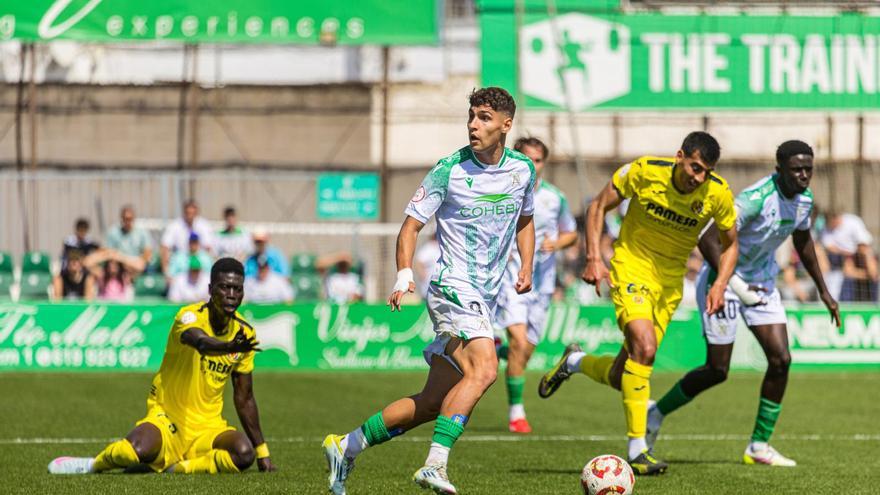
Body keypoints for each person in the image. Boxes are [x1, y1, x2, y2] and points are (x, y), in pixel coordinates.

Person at [322, 87, 536, 495]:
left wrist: (526, 264)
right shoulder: (448, 170)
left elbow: (525, 220)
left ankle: (346, 446)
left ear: (506, 125)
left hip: (486, 295)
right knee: (485, 369)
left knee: (433, 401)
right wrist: (404, 274)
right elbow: (410, 227)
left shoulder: (523, 170)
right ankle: (435, 464)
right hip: (451, 284)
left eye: (484, 117)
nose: (474, 125)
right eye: (471, 116)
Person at [538, 131, 739, 475]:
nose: (698, 177)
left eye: (706, 172)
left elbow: (731, 243)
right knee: (645, 348)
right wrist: (593, 258)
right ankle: (637, 449)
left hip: (669, 284)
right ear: (680, 157)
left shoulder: (717, 193)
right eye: (695, 167)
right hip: (631, 267)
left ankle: (574, 362)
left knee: (623, 376)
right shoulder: (645, 171)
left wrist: (720, 283)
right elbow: (597, 206)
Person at [647, 140, 841, 467]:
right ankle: (656, 412)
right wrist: (731, 283)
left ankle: (759, 446)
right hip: (723, 282)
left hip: (762, 283)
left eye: (808, 169)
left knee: (781, 360)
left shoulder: (805, 201)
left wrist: (824, 290)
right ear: (779, 170)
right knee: (717, 370)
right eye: (796, 169)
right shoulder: (755, 199)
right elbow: (708, 238)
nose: (804, 175)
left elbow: (803, 241)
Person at [48, 258, 276, 475]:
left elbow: (244, 397)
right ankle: (92, 464)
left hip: (208, 427)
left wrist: (262, 452)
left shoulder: (245, 333)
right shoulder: (189, 316)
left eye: (237, 289)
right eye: (224, 287)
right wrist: (228, 347)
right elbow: (201, 342)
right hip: (168, 420)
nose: (231, 295)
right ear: (210, 289)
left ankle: (177, 468)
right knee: (133, 450)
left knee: (243, 453)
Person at [494, 136, 577, 434]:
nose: (533, 164)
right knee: (519, 343)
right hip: (510, 278)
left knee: (525, 351)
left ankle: (496, 352)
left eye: (538, 160)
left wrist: (557, 243)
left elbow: (571, 233)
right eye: (527, 158)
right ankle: (516, 413)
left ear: (544, 163)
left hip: (542, 284)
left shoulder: (555, 198)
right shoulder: (500, 191)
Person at [821, 209, 878, 302]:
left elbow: (864, 245)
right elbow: (830, 248)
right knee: (849, 276)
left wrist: (867, 266)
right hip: (843, 258)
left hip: (858, 256)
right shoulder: (826, 229)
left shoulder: (853, 222)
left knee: (871, 269)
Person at [160, 200, 215, 274]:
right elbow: (165, 247)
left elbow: (209, 249)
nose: (190, 216)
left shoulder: (204, 225)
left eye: (193, 213)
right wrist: (166, 271)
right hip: (180, 262)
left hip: (200, 262)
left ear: (197, 213)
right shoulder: (174, 226)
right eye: (188, 213)